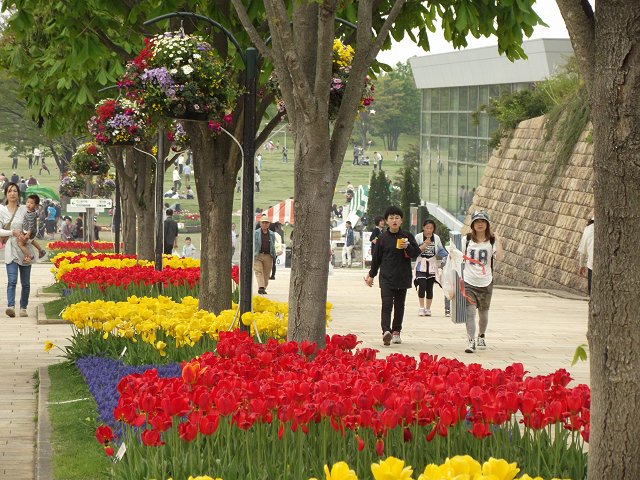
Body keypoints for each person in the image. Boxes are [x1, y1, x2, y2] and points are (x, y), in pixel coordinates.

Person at [365, 206, 422, 346]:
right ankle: (386, 331)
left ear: (401, 220)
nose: (394, 220)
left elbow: (415, 253)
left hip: (402, 276)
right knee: (386, 304)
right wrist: (371, 275)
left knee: (399, 305)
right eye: (391, 218)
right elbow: (376, 258)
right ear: (386, 221)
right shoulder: (382, 238)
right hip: (386, 277)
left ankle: (396, 331)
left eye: (397, 218)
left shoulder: (408, 236)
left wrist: (407, 246)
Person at [462, 210, 504, 354]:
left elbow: (499, 257)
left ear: (487, 224)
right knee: (470, 312)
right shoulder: (467, 240)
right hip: (468, 281)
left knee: (483, 313)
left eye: (483, 221)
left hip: (486, 282)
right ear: (472, 224)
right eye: (477, 222)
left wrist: (498, 240)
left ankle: (481, 335)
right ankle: (471, 341)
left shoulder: (491, 241)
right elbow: (457, 256)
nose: (480, 224)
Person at [0, 182, 38, 317]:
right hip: (11, 249)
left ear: (18, 193)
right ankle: (11, 306)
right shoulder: (1, 210)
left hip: (24, 248)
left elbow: (33, 227)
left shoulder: (24, 209)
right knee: (12, 280)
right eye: (9, 191)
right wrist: (12, 232)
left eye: (15, 191)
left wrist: (28, 236)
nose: (12, 193)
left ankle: (23, 308)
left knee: (25, 283)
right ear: (6, 193)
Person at [414, 219, 448, 316]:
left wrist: (448, 255)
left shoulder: (436, 238)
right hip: (421, 263)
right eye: (427, 228)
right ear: (423, 228)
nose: (429, 230)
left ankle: (428, 308)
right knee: (422, 285)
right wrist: (424, 244)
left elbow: (440, 250)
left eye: (431, 228)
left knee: (429, 287)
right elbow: (414, 250)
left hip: (432, 265)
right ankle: (421, 307)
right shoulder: (418, 237)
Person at [17, 194, 46, 262]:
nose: (29, 204)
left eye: (31, 203)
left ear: (36, 206)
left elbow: (31, 225)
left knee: (20, 244)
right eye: (27, 202)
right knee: (31, 241)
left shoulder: (31, 214)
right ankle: (41, 250)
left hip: (28, 232)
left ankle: (29, 256)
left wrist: (28, 234)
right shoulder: (31, 212)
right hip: (29, 232)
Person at [253, 214, 276, 295]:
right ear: (260, 223)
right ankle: (261, 287)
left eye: (266, 223)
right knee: (259, 271)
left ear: (269, 224)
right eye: (263, 222)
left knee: (266, 273)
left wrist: (274, 254)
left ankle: (263, 287)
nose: (265, 224)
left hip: (268, 256)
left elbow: (273, 244)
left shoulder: (272, 234)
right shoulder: (255, 233)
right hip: (258, 255)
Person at [578, 212, 594, 296]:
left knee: (592, 293)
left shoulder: (588, 229)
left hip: (592, 265)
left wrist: (582, 265)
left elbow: (583, 250)